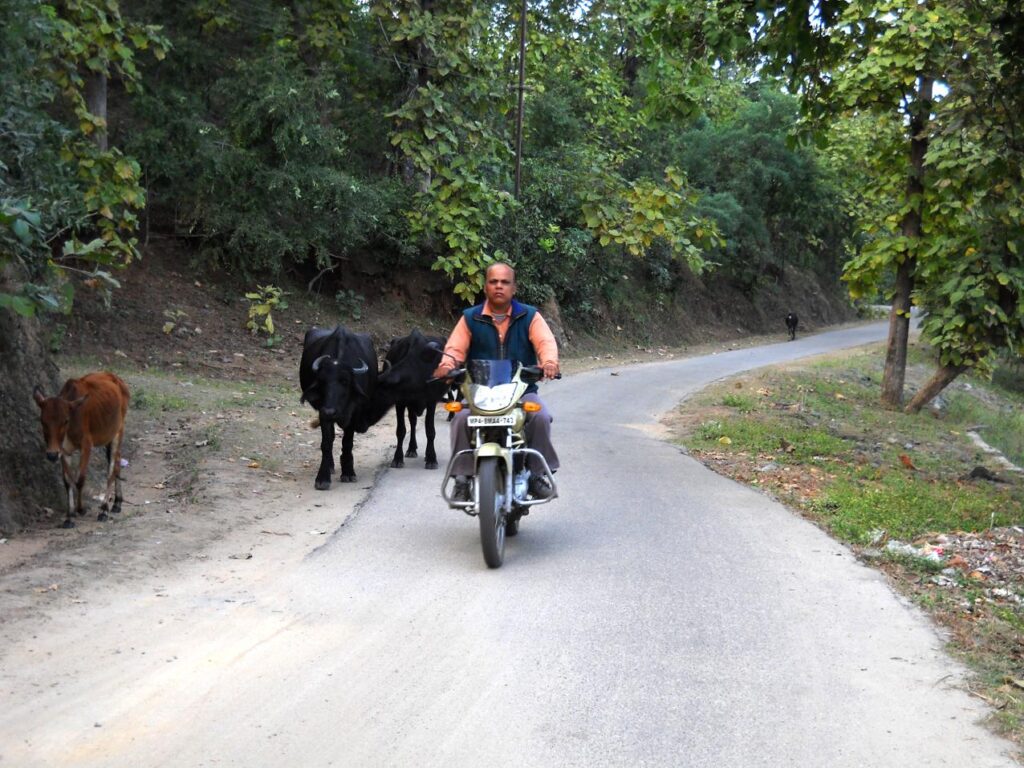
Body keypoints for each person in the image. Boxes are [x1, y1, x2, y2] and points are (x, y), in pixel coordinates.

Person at [435, 262, 560, 501]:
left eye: (505, 282)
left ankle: (537, 475)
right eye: (493, 282)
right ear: (485, 287)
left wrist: (549, 362)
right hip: (479, 393)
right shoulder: (470, 318)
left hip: (520, 392)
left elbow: (545, 343)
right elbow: (454, 349)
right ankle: (462, 479)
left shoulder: (529, 316)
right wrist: (447, 365)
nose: (499, 286)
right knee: (460, 418)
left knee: (541, 416)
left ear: (514, 288)